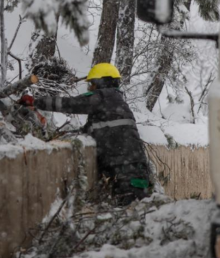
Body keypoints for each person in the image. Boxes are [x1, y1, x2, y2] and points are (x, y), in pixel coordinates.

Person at [20, 63, 151, 205]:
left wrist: (36, 102)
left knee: (127, 212)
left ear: (101, 82)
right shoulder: (117, 104)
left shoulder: (102, 97)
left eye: (92, 84)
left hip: (125, 171)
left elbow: (69, 104)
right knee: (135, 215)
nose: (90, 88)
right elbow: (99, 130)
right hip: (134, 168)